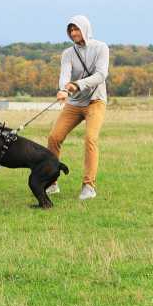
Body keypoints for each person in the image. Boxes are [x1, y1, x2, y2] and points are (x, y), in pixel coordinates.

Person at [46, 15, 109, 200]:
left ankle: (89, 186)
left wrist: (77, 84)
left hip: (95, 101)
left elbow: (101, 75)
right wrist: (63, 89)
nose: (73, 33)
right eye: (71, 30)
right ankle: (51, 182)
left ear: (85, 29)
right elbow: (64, 76)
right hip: (74, 103)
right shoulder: (68, 53)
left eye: (76, 29)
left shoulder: (101, 48)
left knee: (90, 138)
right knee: (54, 137)